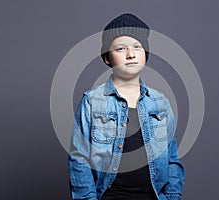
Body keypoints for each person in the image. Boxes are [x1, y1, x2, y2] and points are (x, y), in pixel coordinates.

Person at [68, 13, 185, 200]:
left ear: (145, 54)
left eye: (137, 47)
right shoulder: (92, 101)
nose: (131, 54)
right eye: (121, 49)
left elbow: (172, 159)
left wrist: (172, 197)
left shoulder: (160, 102)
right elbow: (79, 159)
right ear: (107, 58)